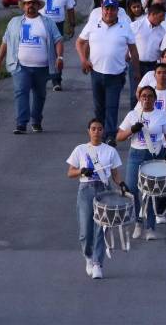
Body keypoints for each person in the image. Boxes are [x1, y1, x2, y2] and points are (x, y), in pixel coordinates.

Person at [66, 117, 125, 280]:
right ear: (88, 131)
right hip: (86, 189)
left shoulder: (110, 151)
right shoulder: (80, 149)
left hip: (104, 190)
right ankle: (88, 256)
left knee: (101, 228)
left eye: (99, 129)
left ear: (103, 131)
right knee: (85, 230)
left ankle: (98, 263)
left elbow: (115, 174)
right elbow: (70, 172)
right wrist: (81, 171)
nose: (96, 132)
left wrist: (122, 185)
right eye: (93, 129)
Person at [115, 86, 166, 241]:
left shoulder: (160, 115)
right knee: (132, 189)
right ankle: (137, 222)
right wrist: (132, 130)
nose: (146, 99)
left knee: (150, 191)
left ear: (154, 99)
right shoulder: (132, 115)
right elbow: (119, 137)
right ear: (139, 98)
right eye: (143, 96)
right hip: (136, 154)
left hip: (154, 154)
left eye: (150, 96)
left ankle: (150, 227)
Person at [0, 0, 64, 134]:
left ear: (38, 6)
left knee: (40, 94)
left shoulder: (47, 22)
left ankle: (36, 120)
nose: (30, 6)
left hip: (42, 67)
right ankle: (21, 123)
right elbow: (5, 42)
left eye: (33, 3)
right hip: (21, 66)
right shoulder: (14, 22)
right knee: (21, 92)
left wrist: (59, 57)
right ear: (23, 6)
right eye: (28, 3)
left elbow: (58, 40)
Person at [77, 0, 140, 146]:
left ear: (117, 11)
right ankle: (99, 133)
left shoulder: (125, 26)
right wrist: (83, 60)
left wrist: (136, 71)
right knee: (99, 106)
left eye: (112, 9)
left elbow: (133, 50)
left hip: (116, 73)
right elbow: (79, 42)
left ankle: (110, 135)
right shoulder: (93, 24)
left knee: (112, 105)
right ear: (102, 9)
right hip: (96, 72)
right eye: (107, 9)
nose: (109, 12)